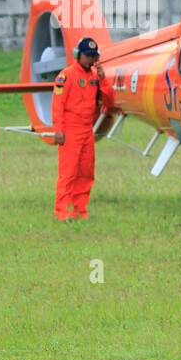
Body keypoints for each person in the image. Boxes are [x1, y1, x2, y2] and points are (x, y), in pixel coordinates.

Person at [52, 36, 114, 221]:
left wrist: (103, 79)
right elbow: (58, 104)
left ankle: (80, 210)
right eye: (88, 56)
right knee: (68, 172)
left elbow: (109, 101)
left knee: (86, 172)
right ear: (79, 55)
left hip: (88, 130)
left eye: (93, 56)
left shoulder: (96, 77)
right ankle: (62, 211)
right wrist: (58, 129)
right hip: (70, 129)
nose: (91, 60)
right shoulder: (66, 75)